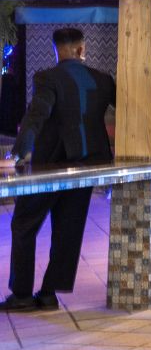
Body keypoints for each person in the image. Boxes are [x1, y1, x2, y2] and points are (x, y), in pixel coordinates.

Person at [4, 28, 115, 312]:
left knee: (24, 223)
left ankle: (22, 295)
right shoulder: (103, 80)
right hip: (90, 163)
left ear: (57, 50)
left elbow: (37, 114)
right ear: (81, 49)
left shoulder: (48, 78)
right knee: (69, 229)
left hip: (52, 164)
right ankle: (49, 293)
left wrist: (19, 152)